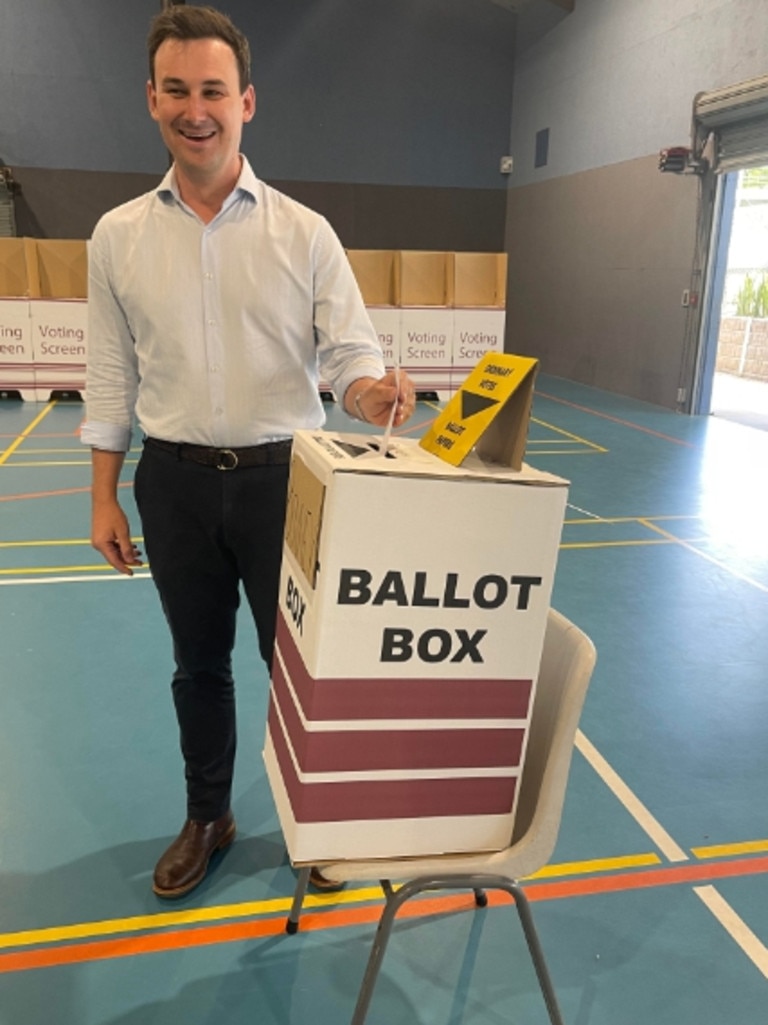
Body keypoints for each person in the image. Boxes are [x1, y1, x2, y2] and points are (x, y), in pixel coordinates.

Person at [82, 4, 416, 899]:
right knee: (199, 665)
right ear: (152, 98)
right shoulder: (116, 237)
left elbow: (349, 357)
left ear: (248, 102)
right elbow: (110, 376)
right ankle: (209, 816)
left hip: (287, 483)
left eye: (215, 91)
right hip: (174, 485)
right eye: (179, 90)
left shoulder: (304, 232)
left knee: (301, 670)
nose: (198, 109)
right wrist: (104, 495)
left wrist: (374, 392)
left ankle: (318, 819)